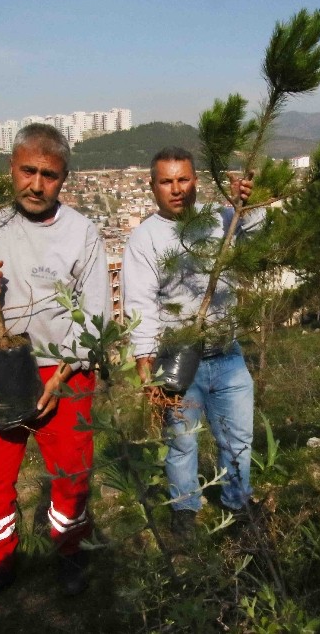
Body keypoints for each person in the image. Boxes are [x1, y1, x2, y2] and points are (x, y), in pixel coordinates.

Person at [0, 124, 110, 619]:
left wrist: (61, 378)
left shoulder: (83, 233)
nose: (37, 184)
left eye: (50, 175)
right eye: (28, 171)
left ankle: (70, 550)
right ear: (11, 169)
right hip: (0, 366)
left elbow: (96, 314)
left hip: (66, 370)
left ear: (64, 180)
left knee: (72, 472)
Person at [122, 147, 261, 539]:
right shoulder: (145, 239)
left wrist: (248, 202)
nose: (176, 189)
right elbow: (140, 304)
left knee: (238, 438)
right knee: (181, 441)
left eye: (183, 179)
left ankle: (238, 504)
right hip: (178, 358)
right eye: (166, 181)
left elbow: (258, 232)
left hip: (228, 353)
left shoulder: (219, 220)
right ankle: (185, 511)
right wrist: (144, 359)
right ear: (153, 187)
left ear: (195, 181)